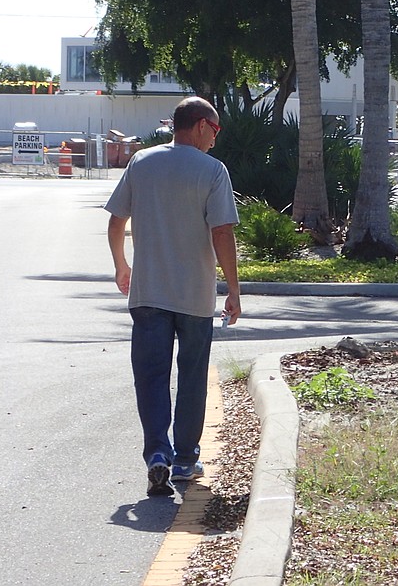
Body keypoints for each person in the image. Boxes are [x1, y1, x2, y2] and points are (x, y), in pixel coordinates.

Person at [105, 96, 241, 497]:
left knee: (150, 377)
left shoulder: (141, 162)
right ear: (200, 125)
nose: (216, 140)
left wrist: (121, 265)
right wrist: (233, 289)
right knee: (192, 376)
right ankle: (184, 459)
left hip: (147, 293)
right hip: (195, 296)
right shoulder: (213, 171)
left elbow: (117, 220)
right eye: (215, 131)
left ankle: (157, 456)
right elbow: (222, 233)